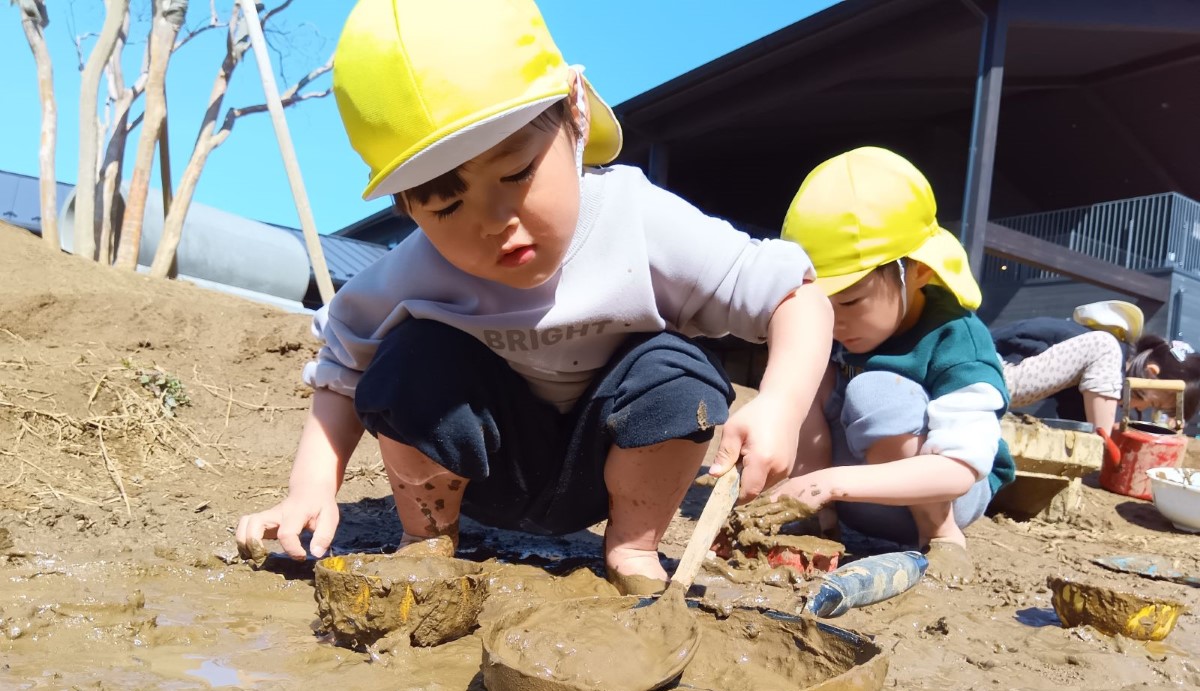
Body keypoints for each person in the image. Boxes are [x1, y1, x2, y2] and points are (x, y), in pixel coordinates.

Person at [234, 0, 832, 593]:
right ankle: (425, 541)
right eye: (446, 206)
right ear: (408, 209)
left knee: (678, 372)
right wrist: (309, 490)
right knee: (409, 362)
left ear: (574, 115)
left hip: (608, 469)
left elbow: (796, 296)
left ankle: (634, 549)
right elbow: (342, 373)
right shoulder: (408, 276)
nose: (494, 221)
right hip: (485, 474)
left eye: (516, 173)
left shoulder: (642, 222)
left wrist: (781, 403)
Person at [765, 147, 1015, 581]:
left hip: (939, 493)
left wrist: (833, 484)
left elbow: (960, 469)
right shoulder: (832, 329)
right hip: (857, 495)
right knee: (805, 376)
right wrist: (811, 498)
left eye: (849, 300)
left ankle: (941, 536)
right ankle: (816, 522)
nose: (834, 319)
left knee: (877, 390)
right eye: (820, 304)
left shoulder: (957, 341)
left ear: (915, 270)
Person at [993, 305, 1200, 431]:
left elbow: (1080, 425)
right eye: (1152, 402)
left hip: (988, 383)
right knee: (1105, 345)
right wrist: (1106, 437)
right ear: (1151, 373)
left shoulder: (1089, 376)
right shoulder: (1108, 354)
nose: (1141, 408)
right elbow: (1100, 435)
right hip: (987, 368)